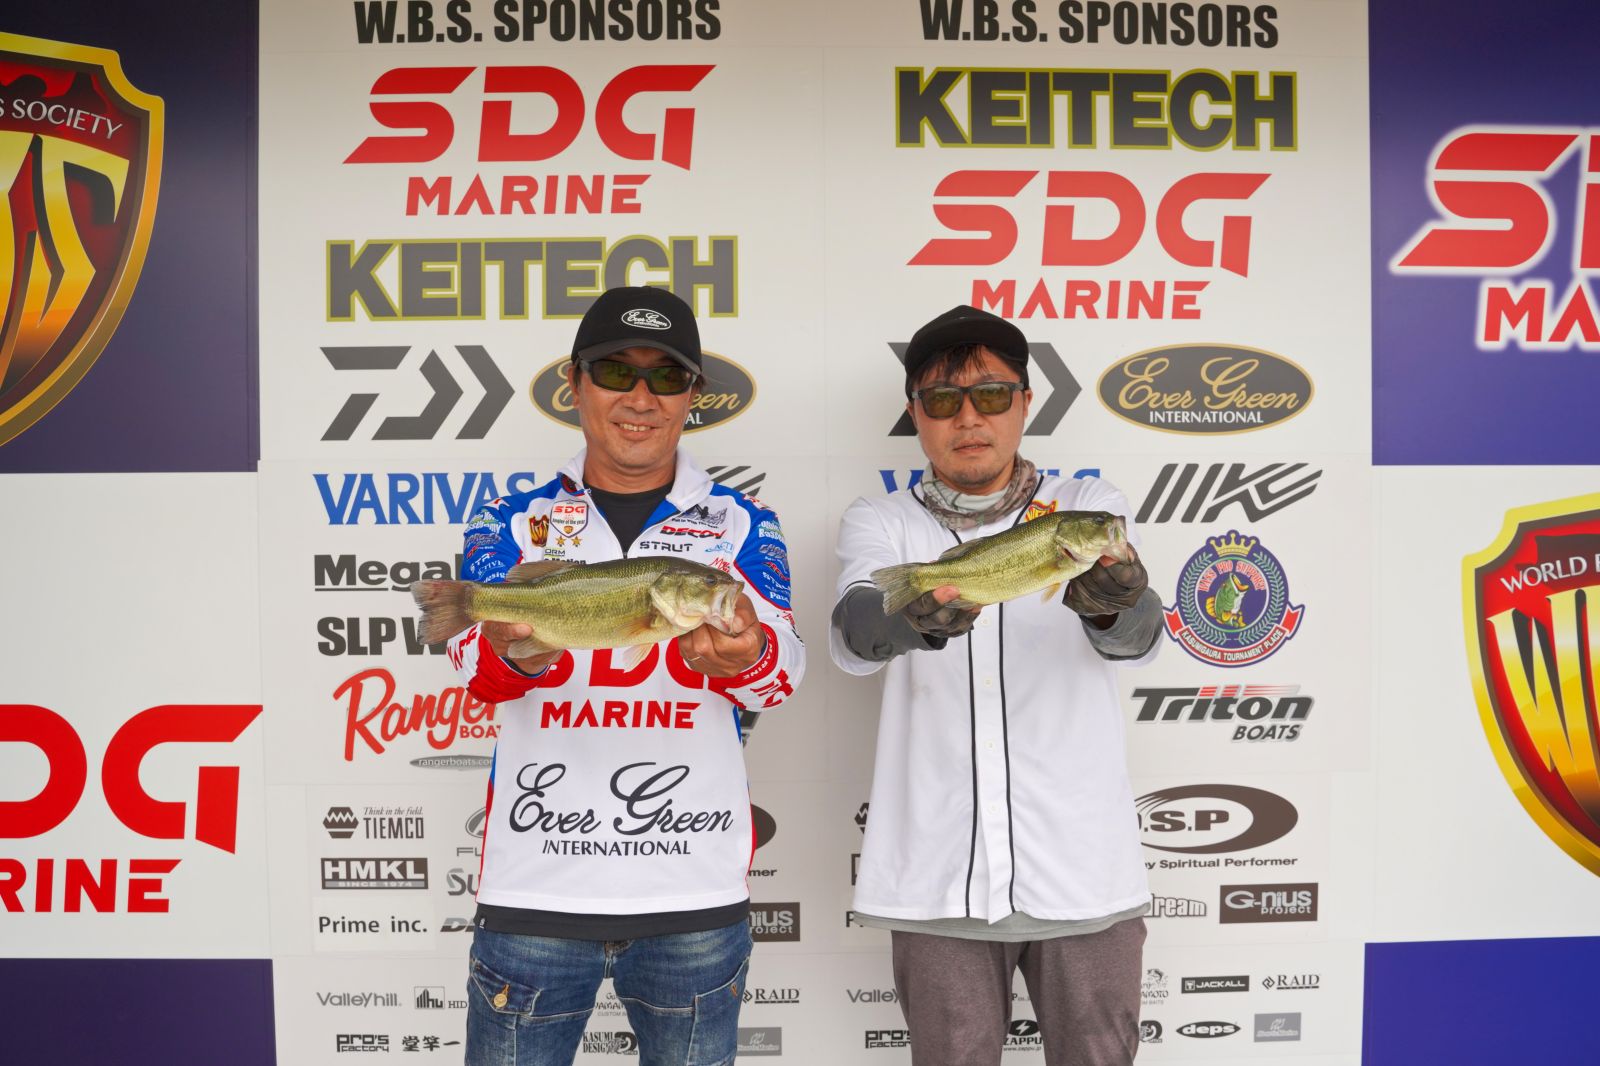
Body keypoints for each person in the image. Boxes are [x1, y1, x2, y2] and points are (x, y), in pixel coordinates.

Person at [448, 286, 804, 1066]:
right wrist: (517, 652)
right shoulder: (509, 516)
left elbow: (780, 677)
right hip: (537, 884)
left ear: (692, 396)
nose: (641, 397)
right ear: (574, 383)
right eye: (616, 371)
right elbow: (474, 670)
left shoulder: (742, 520)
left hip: (692, 890)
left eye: (666, 377)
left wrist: (748, 656)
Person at [830, 305, 1161, 1066]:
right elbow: (855, 632)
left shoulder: (1086, 507)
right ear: (915, 412)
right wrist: (914, 620)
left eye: (991, 394)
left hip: (1083, 872)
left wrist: (1111, 602)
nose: (969, 418)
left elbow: (1140, 637)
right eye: (943, 400)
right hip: (938, 877)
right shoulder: (881, 520)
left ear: (1026, 402)